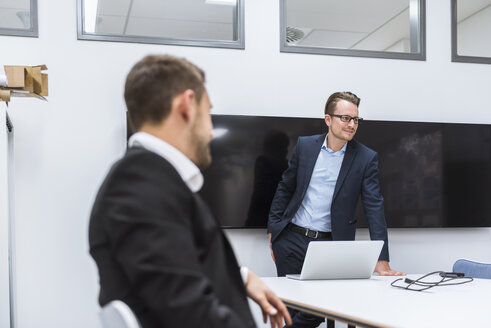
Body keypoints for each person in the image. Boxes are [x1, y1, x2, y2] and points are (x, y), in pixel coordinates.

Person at [89, 55, 291, 328]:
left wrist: (241, 277)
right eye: (208, 112)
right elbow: (189, 313)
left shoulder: (148, 179)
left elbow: (176, 266)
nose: (210, 131)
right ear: (186, 106)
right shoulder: (140, 187)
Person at [267, 91, 403, 328]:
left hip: (330, 247)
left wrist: (382, 259)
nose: (351, 125)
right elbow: (285, 188)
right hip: (290, 239)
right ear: (328, 119)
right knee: (289, 306)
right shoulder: (306, 146)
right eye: (345, 118)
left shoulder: (365, 158)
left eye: (356, 120)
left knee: (319, 307)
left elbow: (374, 206)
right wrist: (273, 230)